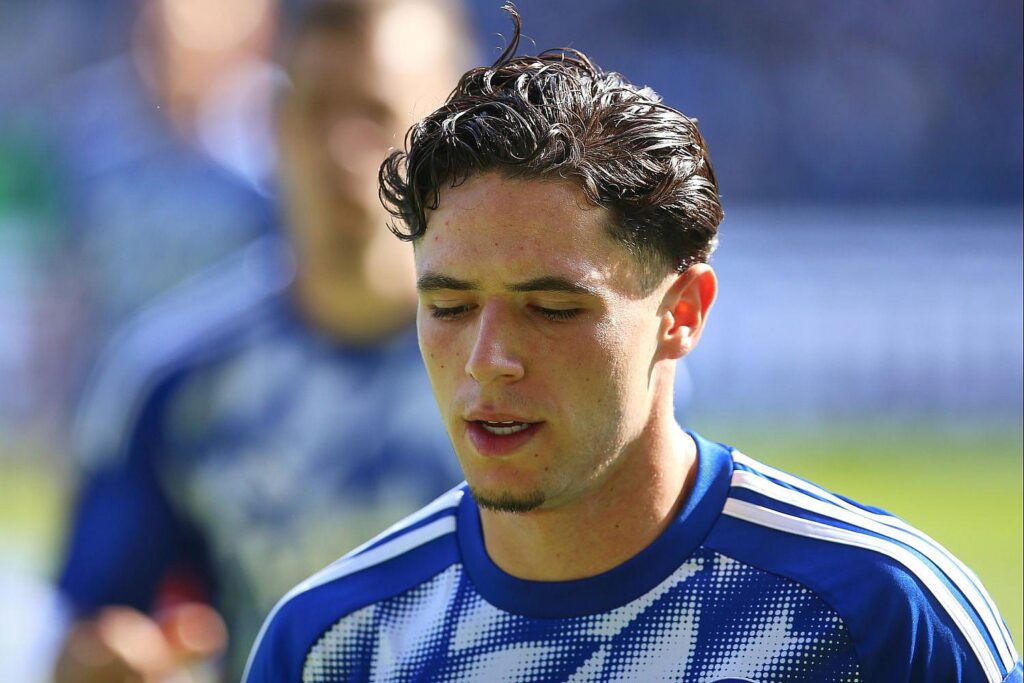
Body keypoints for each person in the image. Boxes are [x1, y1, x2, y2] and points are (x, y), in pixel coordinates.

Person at [244, 7, 1022, 683]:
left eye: (552, 308)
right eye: (449, 306)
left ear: (683, 312)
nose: (487, 358)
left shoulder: (882, 614)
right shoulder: (331, 643)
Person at [52, 0, 470, 680]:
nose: (342, 151)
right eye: (316, 111)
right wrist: (109, 661)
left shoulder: (527, 361)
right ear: (273, 124)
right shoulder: (175, 381)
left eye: (375, 114)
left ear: (455, 139)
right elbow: (93, 629)